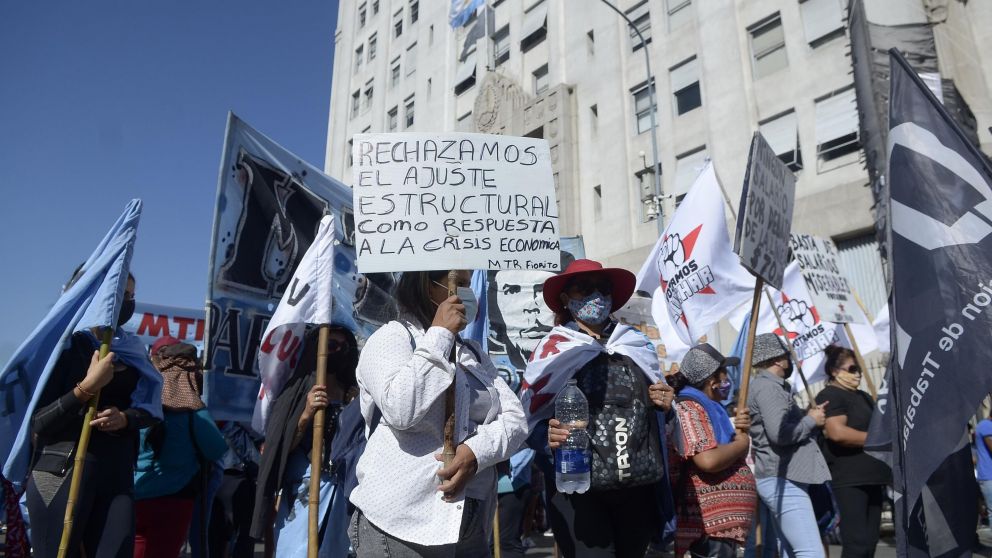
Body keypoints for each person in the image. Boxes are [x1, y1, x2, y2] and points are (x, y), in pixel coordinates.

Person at [349, 269, 528, 557]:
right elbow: (401, 410)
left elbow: (516, 421)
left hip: (468, 521)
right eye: (460, 284)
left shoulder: (473, 352)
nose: (468, 294)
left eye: (469, 285)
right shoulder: (392, 338)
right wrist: (440, 336)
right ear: (426, 285)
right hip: (402, 524)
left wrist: (475, 451)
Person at [538, 259, 675, 557]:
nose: (596, 296)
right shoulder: (553, 350)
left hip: (635, 485)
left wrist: (665, 405)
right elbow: (529, 417)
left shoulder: (635, 344)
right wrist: (547, 440)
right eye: (584, 289)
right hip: (578, 486)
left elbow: (658, 413)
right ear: (565, 298)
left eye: (603, 288)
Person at [24, 272, 163, 558]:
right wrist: (85, 388)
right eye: (119, 294)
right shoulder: (63, 345)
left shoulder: (132, 349)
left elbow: (148, 412)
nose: (126, 303)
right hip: (61, 472)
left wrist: (126, 418)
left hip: (116, 475)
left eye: (130, 296)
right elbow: (39, 422)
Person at [251, 325, 360, 557]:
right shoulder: (297, 392)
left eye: (344, 347)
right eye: (331, 346)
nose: (339, 351)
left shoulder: (354, 393)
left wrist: (357, 408)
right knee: (296, 550)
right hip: (303, 488)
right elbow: (280, 449)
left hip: (340, 490)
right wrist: (306, 415)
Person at [133, 337, 227, 558]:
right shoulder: (193, 410)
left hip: (135, 494)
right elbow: (215, 449)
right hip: (174, 500)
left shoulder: (138, 400)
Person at [668, 343, 757, 557]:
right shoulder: (690, 407)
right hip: (708, 526)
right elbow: (707, 459)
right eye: (724, 376)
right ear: (712, 381)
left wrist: (738, 429)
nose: (727, 382)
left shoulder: (709, 408)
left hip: (719, 528)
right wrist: (740, 444)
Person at [747, 333, 830, 558]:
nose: (791, 359)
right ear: (777, 359)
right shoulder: (768, 389)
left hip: (784, 477)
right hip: (783, 478)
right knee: (811, 552)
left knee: (791, 552)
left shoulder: (773, 387)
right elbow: (780, 434)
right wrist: (811, 420)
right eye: (787, 355)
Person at [815, 345, 890, 558]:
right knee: (856, 543)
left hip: (873, 477)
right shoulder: (830, 395)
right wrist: (878, 439)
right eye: (852, 368)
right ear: (835, 371)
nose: (857, 373)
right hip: (849, 479)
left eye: (858, 368)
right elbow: (837, 432)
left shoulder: (864, 397)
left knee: (870, 543)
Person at [209, 421, 262, 558]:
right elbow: (253, 457)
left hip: (213, 483)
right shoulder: (236, 424)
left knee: (216, 536)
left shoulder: (204, 421)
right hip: (237, 480)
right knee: (245, 534)